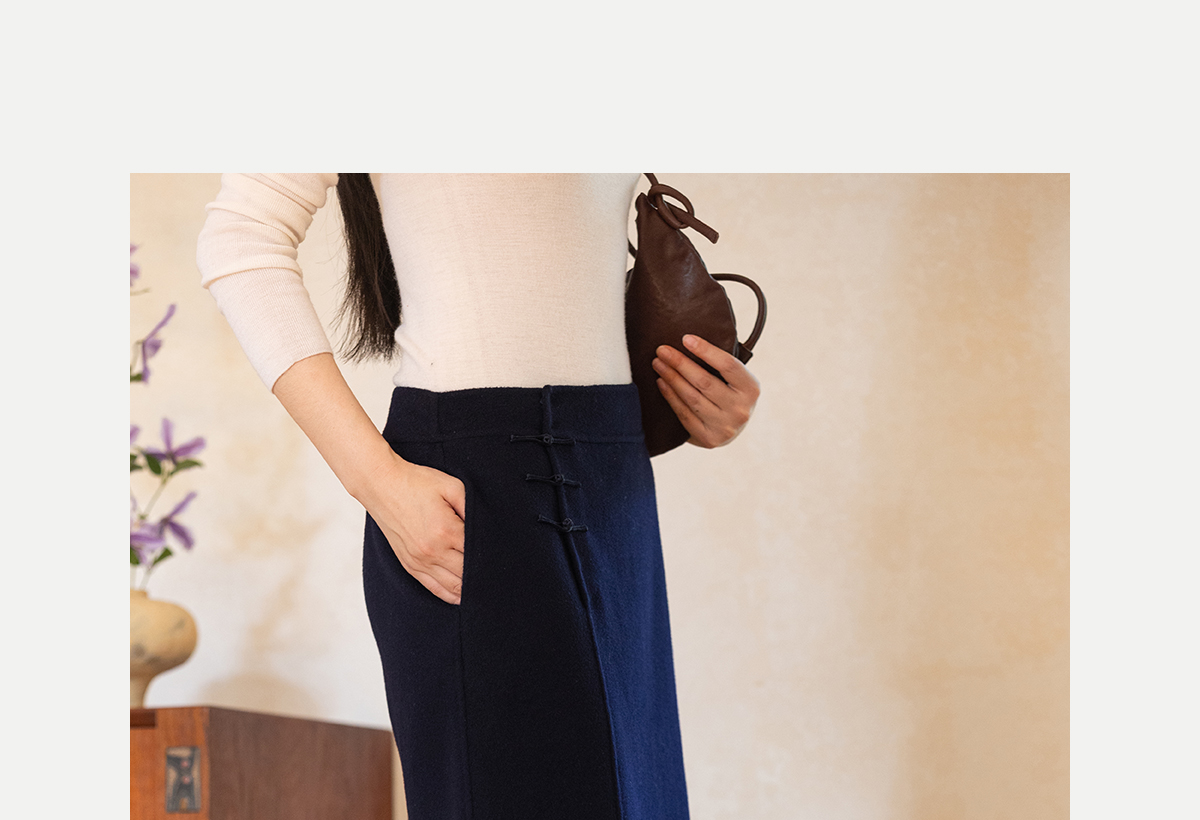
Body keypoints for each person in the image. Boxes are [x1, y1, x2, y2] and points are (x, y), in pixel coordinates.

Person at [197, 173, 760, 820]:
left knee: (637, 797)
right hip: (468, 489)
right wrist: (377, 482)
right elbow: (241, 235)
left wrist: (698, 401)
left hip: (616, 484)